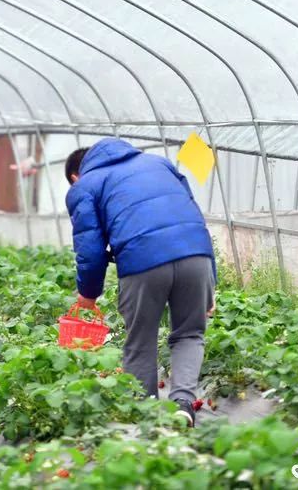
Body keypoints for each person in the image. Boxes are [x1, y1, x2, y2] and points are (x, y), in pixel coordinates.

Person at [65, 138, 216, 426]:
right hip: (196, 253)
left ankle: (145, 415)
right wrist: (211, 283)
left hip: (142, 259)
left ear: (76, 176)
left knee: (141, 341)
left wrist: (88, 294)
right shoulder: (159, 163)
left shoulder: (84, 186)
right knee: (189, 334)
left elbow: (90, 248)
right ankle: (183, 403)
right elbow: (195, 217)